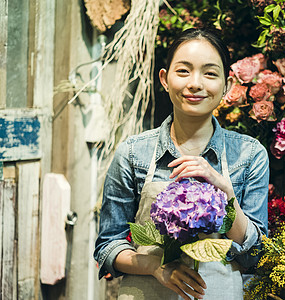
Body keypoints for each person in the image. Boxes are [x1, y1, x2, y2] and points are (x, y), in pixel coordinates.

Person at [94, 28, 269, 300]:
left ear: (228, 85)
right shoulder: (132, 153)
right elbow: (107, 247)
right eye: (183, 71)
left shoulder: (249, 155)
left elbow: (257, 255)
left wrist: (227, 194)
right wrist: (156, 267)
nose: (195, 84)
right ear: (165, 79)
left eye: (210, 73)